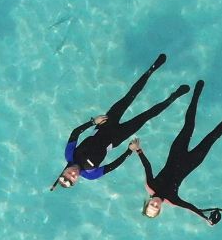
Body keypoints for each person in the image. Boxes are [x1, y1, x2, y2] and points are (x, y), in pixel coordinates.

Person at [52, 54, 189, 189]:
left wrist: (93, 122)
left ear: (64, 171)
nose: (72, 174)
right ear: (76, 181)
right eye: (72, 179)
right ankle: (174, 96)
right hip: (117, 138)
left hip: (103, 125)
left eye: (68, 174)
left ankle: (152, 69)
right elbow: (114, 165)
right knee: (147, 116)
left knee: (129, 97)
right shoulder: (91, 174)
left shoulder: (69, 155)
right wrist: (129, 151)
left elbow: (75, 133)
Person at [129, 80, 222, 224]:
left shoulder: (150, 185)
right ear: (160, 209)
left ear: (147, 203)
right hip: (192, 162)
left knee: (189, 125)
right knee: (213, 137)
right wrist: (205, 218)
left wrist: (138, 150)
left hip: (176, 153)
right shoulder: (172, 200)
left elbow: (147, 167)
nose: (155, 204)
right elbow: (190, 207)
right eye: (156, 208)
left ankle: (196, 95)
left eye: (151, 206)